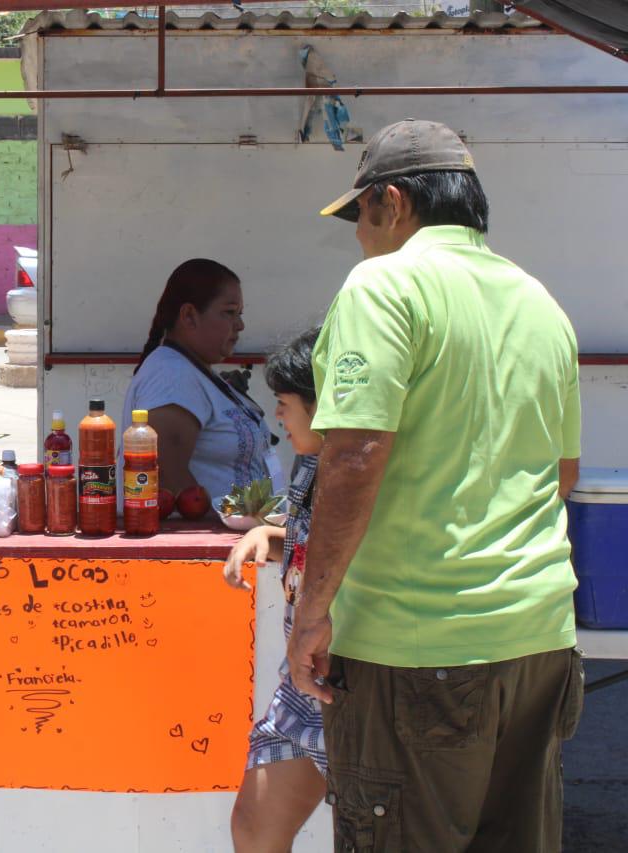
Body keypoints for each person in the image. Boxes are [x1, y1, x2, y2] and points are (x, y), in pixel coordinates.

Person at [285, 119, 584, 851]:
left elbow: (354, 455)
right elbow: (563, 474)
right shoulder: (538, 301)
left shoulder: (384, 285)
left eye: (360, 217)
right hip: (539, 642)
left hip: (415, 649)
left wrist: (312, 613)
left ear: (392, 202)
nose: (361, 237)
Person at [223, 327, 325, 852]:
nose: (278, 415)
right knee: (254, 825)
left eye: (286, 403)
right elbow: (319, 547)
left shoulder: (363, 474)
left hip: (352, 684)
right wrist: (271, 534)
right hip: (302, 685)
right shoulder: (311, 463)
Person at [123, 258, 281, 505]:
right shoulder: (172, 375)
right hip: (205, 530)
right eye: (229, 312)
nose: (240, 325)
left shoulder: (193, 371)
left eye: (239, 314)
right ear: (189, 316)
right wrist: (214, 524)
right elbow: (166, 477)